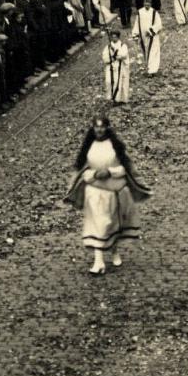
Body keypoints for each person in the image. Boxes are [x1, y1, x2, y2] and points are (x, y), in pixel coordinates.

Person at [64, 115, 151, 275]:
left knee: (111, 223)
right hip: (95, 192)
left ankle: (114, 250)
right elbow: (81, 171)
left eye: (102, 126)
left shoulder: (115, 146)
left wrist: (110, 171)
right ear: (92, 128)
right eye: (96, 126)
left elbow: (125, 169)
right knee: (99, 224)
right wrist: (94, 174)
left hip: (114, 192)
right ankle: (99, 262)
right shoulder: (87, 147)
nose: (99, 129)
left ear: (107, 127)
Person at [132, 0, 163, 75]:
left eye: (148, 3)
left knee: (153, 51)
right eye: (145, 3)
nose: (147, 5)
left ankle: (152, 69)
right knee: (145, 51)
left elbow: (159, 24)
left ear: (150, 4)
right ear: (143, 3)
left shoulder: (154, 12)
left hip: (153, 36)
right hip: (143, 36)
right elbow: (137, 23)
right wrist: (135, 34)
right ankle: (148, 67)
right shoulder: (140, 12)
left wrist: (151, 31)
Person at [102, 28, 131, 104]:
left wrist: (116, 53)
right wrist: (111, 58)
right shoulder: (108, 47)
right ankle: (112, 97)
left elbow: (124, 55)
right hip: (111, 67)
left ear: (118, 37)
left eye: (115, 37)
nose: (113, 38)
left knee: (120, 82)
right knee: (109, 81)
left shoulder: (123, 45)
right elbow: (105, 57)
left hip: (121, 67)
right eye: (112, 37)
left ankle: (119, 99)